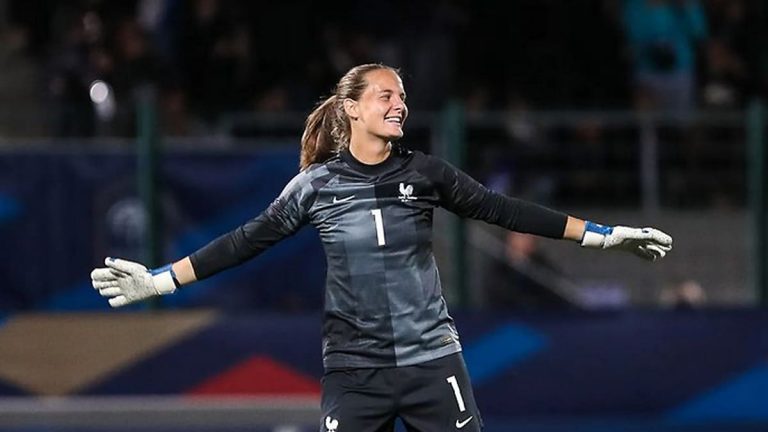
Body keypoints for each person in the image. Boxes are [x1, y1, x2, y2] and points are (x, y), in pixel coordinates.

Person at [90, 63, 673, 432]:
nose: (400, 104)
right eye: (386, 95)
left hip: (432, 363)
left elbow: (505, 211)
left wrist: (603, 235)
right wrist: (161, 280)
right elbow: (247, 240)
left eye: (403, 97)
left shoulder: (426, 173)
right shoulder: (315, 186)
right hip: (354, 371)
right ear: (351, 108)